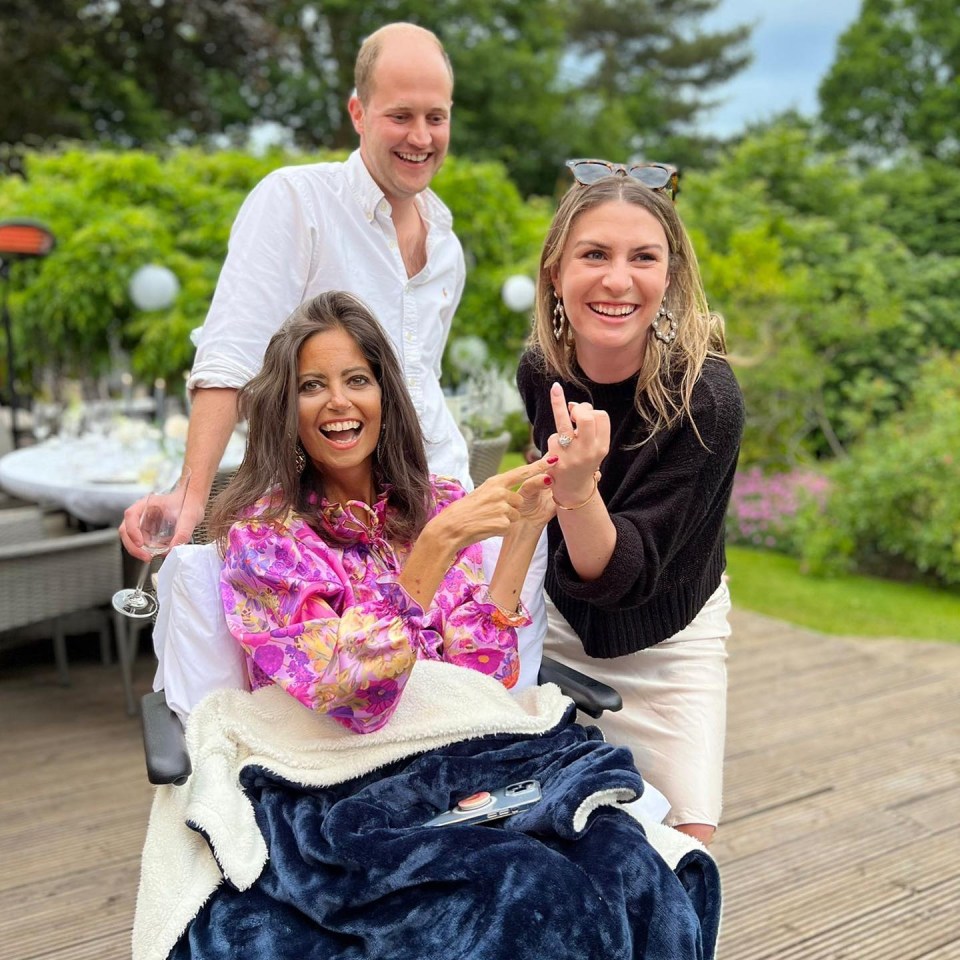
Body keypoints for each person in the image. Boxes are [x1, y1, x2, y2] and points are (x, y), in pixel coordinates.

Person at [120, 21, 468, 560]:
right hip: (329, 523)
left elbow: (422, 382)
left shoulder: (447, 245)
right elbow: (231, 356)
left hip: (443, 501)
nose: (421, 137)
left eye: (435, 118)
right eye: (400, 116)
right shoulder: (295, 201)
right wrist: (189, 494)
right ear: (358, 113)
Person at [517, 162, 745, 844]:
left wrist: (578, 491)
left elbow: (625, 575)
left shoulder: (706, 400)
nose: (618, 280)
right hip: (563, 623)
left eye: (643, 257)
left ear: (670, 277)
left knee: (684, 854)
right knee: (541, 837)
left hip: (670, 642)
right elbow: (567, 549)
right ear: (556, 272)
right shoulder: (541, 370)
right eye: (594, 255)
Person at [209, 291, 555, 732]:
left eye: (357, 380)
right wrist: (435, 546)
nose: (338, 401)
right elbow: (351, 699)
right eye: (311, 385)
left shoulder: (439, 504)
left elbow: (481, 675)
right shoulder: (264, 542)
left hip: (456, 744)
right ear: (286, 411)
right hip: (343, 776)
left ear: (384, 397)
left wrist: (525, 528)